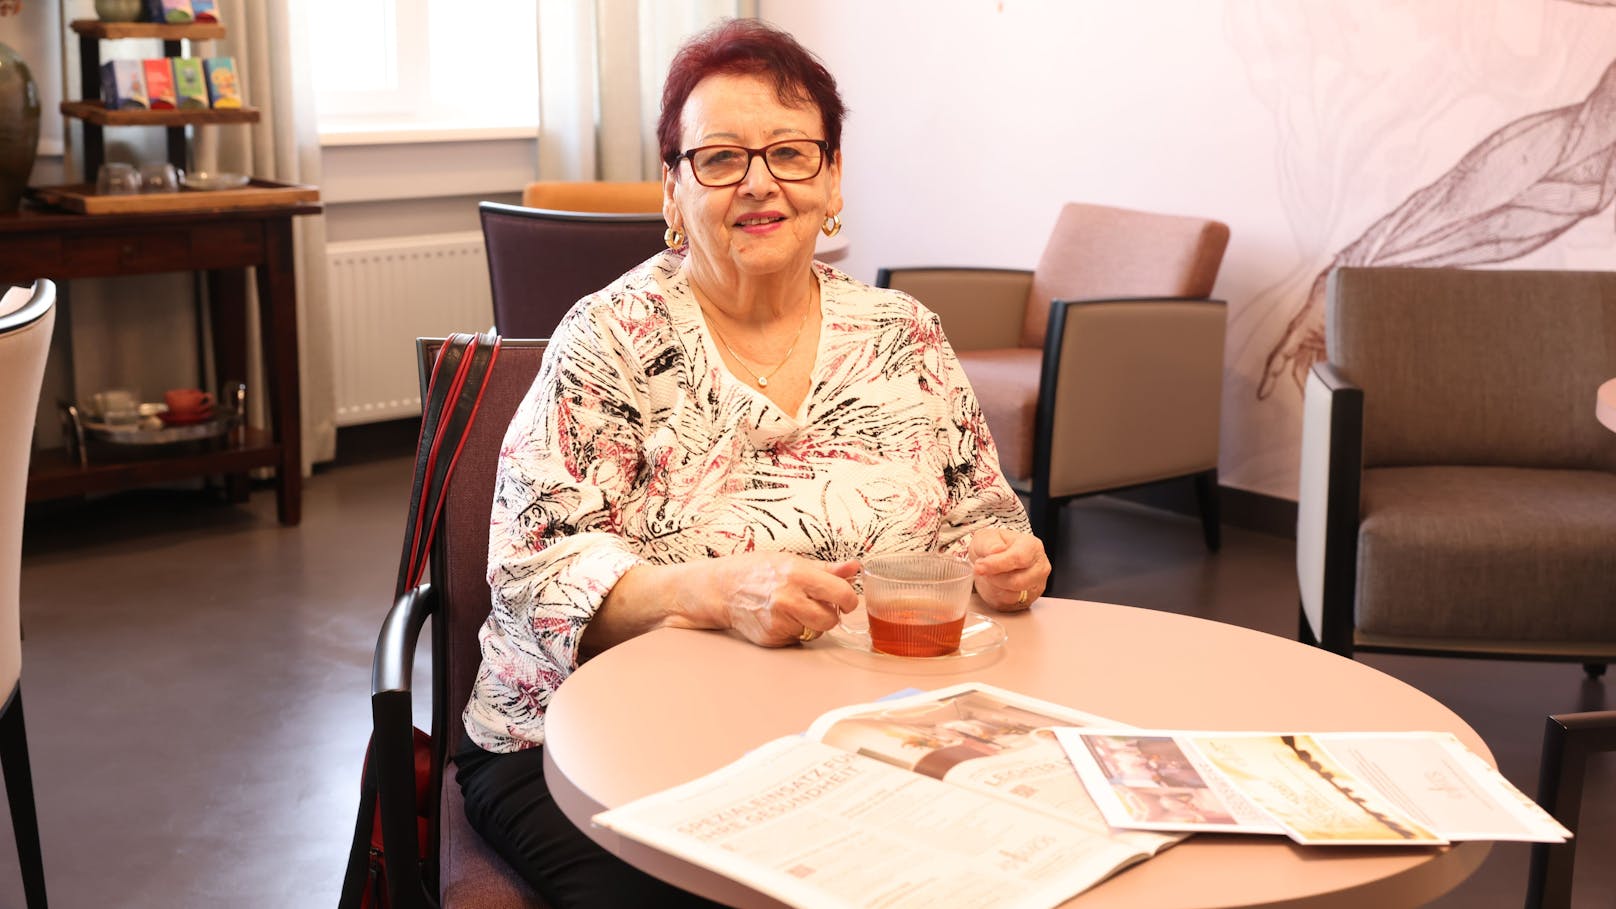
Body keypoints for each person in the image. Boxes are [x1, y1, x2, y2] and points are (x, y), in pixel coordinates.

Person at [454, 18, 1052, 908]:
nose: (760, 183)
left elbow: (984, 519)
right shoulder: (611, 339)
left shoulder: (905, 335)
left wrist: (1010, 563)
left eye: (791, 153)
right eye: (722, 158)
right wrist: (713, 591)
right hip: (585, 744)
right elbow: (531, 569)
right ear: (673, 188)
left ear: (833, 177)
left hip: (850, 737)